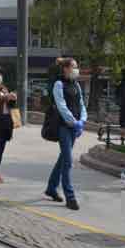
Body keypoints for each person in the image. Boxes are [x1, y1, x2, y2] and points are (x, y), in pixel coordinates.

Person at [45, 58, 87, 211]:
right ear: (66, 68)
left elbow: (82, 103)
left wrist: (82, 120)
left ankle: (51, 188)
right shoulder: (59, 84)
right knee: (68, 161)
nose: (76, 69)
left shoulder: (76, 84)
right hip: (64, 126)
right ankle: (70, 197)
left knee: (63, 158)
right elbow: (61, 106)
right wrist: (73, 121)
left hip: (74, 127)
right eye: (74, 67)